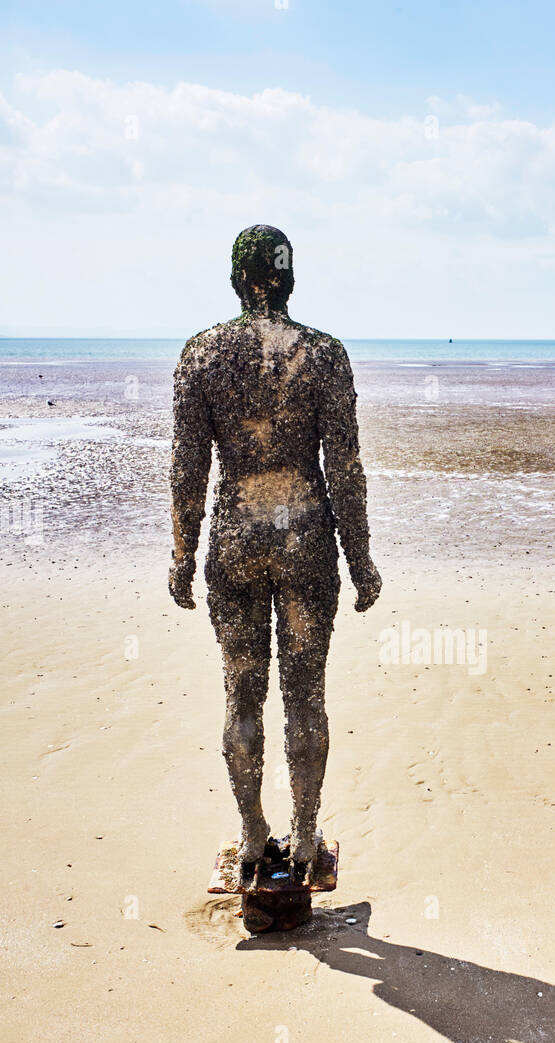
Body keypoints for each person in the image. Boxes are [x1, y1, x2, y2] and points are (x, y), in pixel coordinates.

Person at [169, 224, 381, 881]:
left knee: (242, 694)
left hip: (235, 538)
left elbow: (187, 467)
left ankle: (254, 835)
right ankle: (308, 837)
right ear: (288, 278)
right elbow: (344, 467)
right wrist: (360, 556)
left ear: (237, 278)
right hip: (305, 539)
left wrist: (182, 552)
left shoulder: (201, 355)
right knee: (304, 695)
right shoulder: (323, 355)